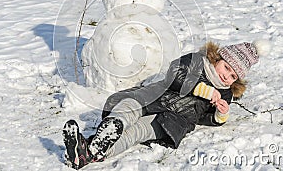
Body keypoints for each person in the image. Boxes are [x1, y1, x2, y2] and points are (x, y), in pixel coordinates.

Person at [62, 40, 270, 169]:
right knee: (128, 108)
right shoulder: (197, 61)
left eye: (233, 76)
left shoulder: (225, 93)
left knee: (136, 133)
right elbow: (175, 74)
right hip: (155, 96)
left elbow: (202, 117)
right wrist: (204, 90)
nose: (226, 76)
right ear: (218, 58)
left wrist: (219, 116)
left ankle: (91, 151)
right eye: (226, 68)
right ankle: (111, 128)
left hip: (172, 120)